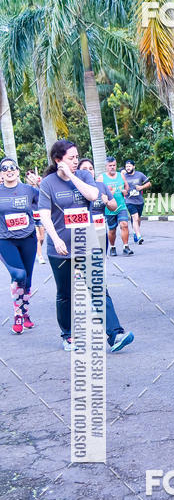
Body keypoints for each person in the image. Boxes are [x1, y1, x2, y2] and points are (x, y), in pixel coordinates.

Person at [38, 140, 134, 352]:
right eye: (70, 158)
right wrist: (55, 239)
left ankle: (115, 334)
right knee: (65, 294)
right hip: (61, 250)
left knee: (99, 289)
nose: (75, 161)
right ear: (57, 160)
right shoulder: (47, 184)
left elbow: (92, 195)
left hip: (87, 244)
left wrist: (71, 175)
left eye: (76, 157)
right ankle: (68, 334)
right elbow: (44, 215)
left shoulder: (82, 176)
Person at [0, 157, 39, 334]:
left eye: (12, 167)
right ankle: (17, 314)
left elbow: (45, 203)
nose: (9, 170)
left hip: (28, 238)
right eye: (4, 168)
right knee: (18, 274)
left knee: (27, 279)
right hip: (5, 239)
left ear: (18, 170)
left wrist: (40, 185)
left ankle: (25, 312)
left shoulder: (29, 190)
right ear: (1, 173)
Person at [102, 156, 132, 256]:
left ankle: (126, 247)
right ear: (106, 166)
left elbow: (126, 187)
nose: (112, 167)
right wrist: (106, 195)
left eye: (114, 165)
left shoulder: (121, 175)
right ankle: (112, 247)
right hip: (109, 208)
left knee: (124, 224)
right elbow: (98, 192)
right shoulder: (101, 177)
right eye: (110, 166)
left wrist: (125, 191)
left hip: (121, 206)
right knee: (112, 230)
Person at [122, 159, 150, 244]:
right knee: (135, 217)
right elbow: (120, 187)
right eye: (126, 166)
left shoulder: (140, 174)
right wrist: (123, 191)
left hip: (139, 200)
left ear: (134, 166)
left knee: (138, 219)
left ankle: (135, 232)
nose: (128, 168)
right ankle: (139, 236)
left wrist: (141, 187)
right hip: (129, 200)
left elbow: (148, 183)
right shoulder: (123, 176)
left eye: (129, 166)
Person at [25, 168, 46, 264]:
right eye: (29, 176)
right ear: (26, 179)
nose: (31, 178)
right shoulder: (25, 189)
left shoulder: (39, 187)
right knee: (37, 237)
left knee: (42, 238)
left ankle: (37, 250)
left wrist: (39, 183)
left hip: (40, 215)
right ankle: (40, 256)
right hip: (31, 216)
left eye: (32, 175)